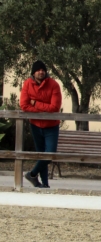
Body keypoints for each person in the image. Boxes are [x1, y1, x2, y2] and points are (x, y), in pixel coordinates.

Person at [19, 60, 62, 189]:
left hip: (51, 126)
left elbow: (55, 107)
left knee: (50, 154)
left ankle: (32, 174)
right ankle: (45, 185)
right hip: (35, 125)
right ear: (33, 72)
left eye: (43, 70)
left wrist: (35, 104)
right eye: (38, 70)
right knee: (41, 154)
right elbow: (24, 105)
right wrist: (42, 109)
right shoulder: (27, 84)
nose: (41, 72)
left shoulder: (54, 84)